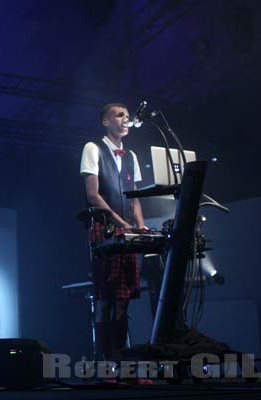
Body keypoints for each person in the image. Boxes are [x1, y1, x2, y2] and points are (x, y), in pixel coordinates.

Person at [79, 103, 147, 359]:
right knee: (105, 297)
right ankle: (105, 363)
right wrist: (122, 223)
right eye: (120, 115)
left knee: (124, 297)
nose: (125, 120)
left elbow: (136, 200)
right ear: (106, 121)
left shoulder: (131, 156)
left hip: (127, 232)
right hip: (104, 229)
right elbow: (93, 195)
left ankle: (122, 361)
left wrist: (139, 226)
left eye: (128, 117)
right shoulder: (93, 148)